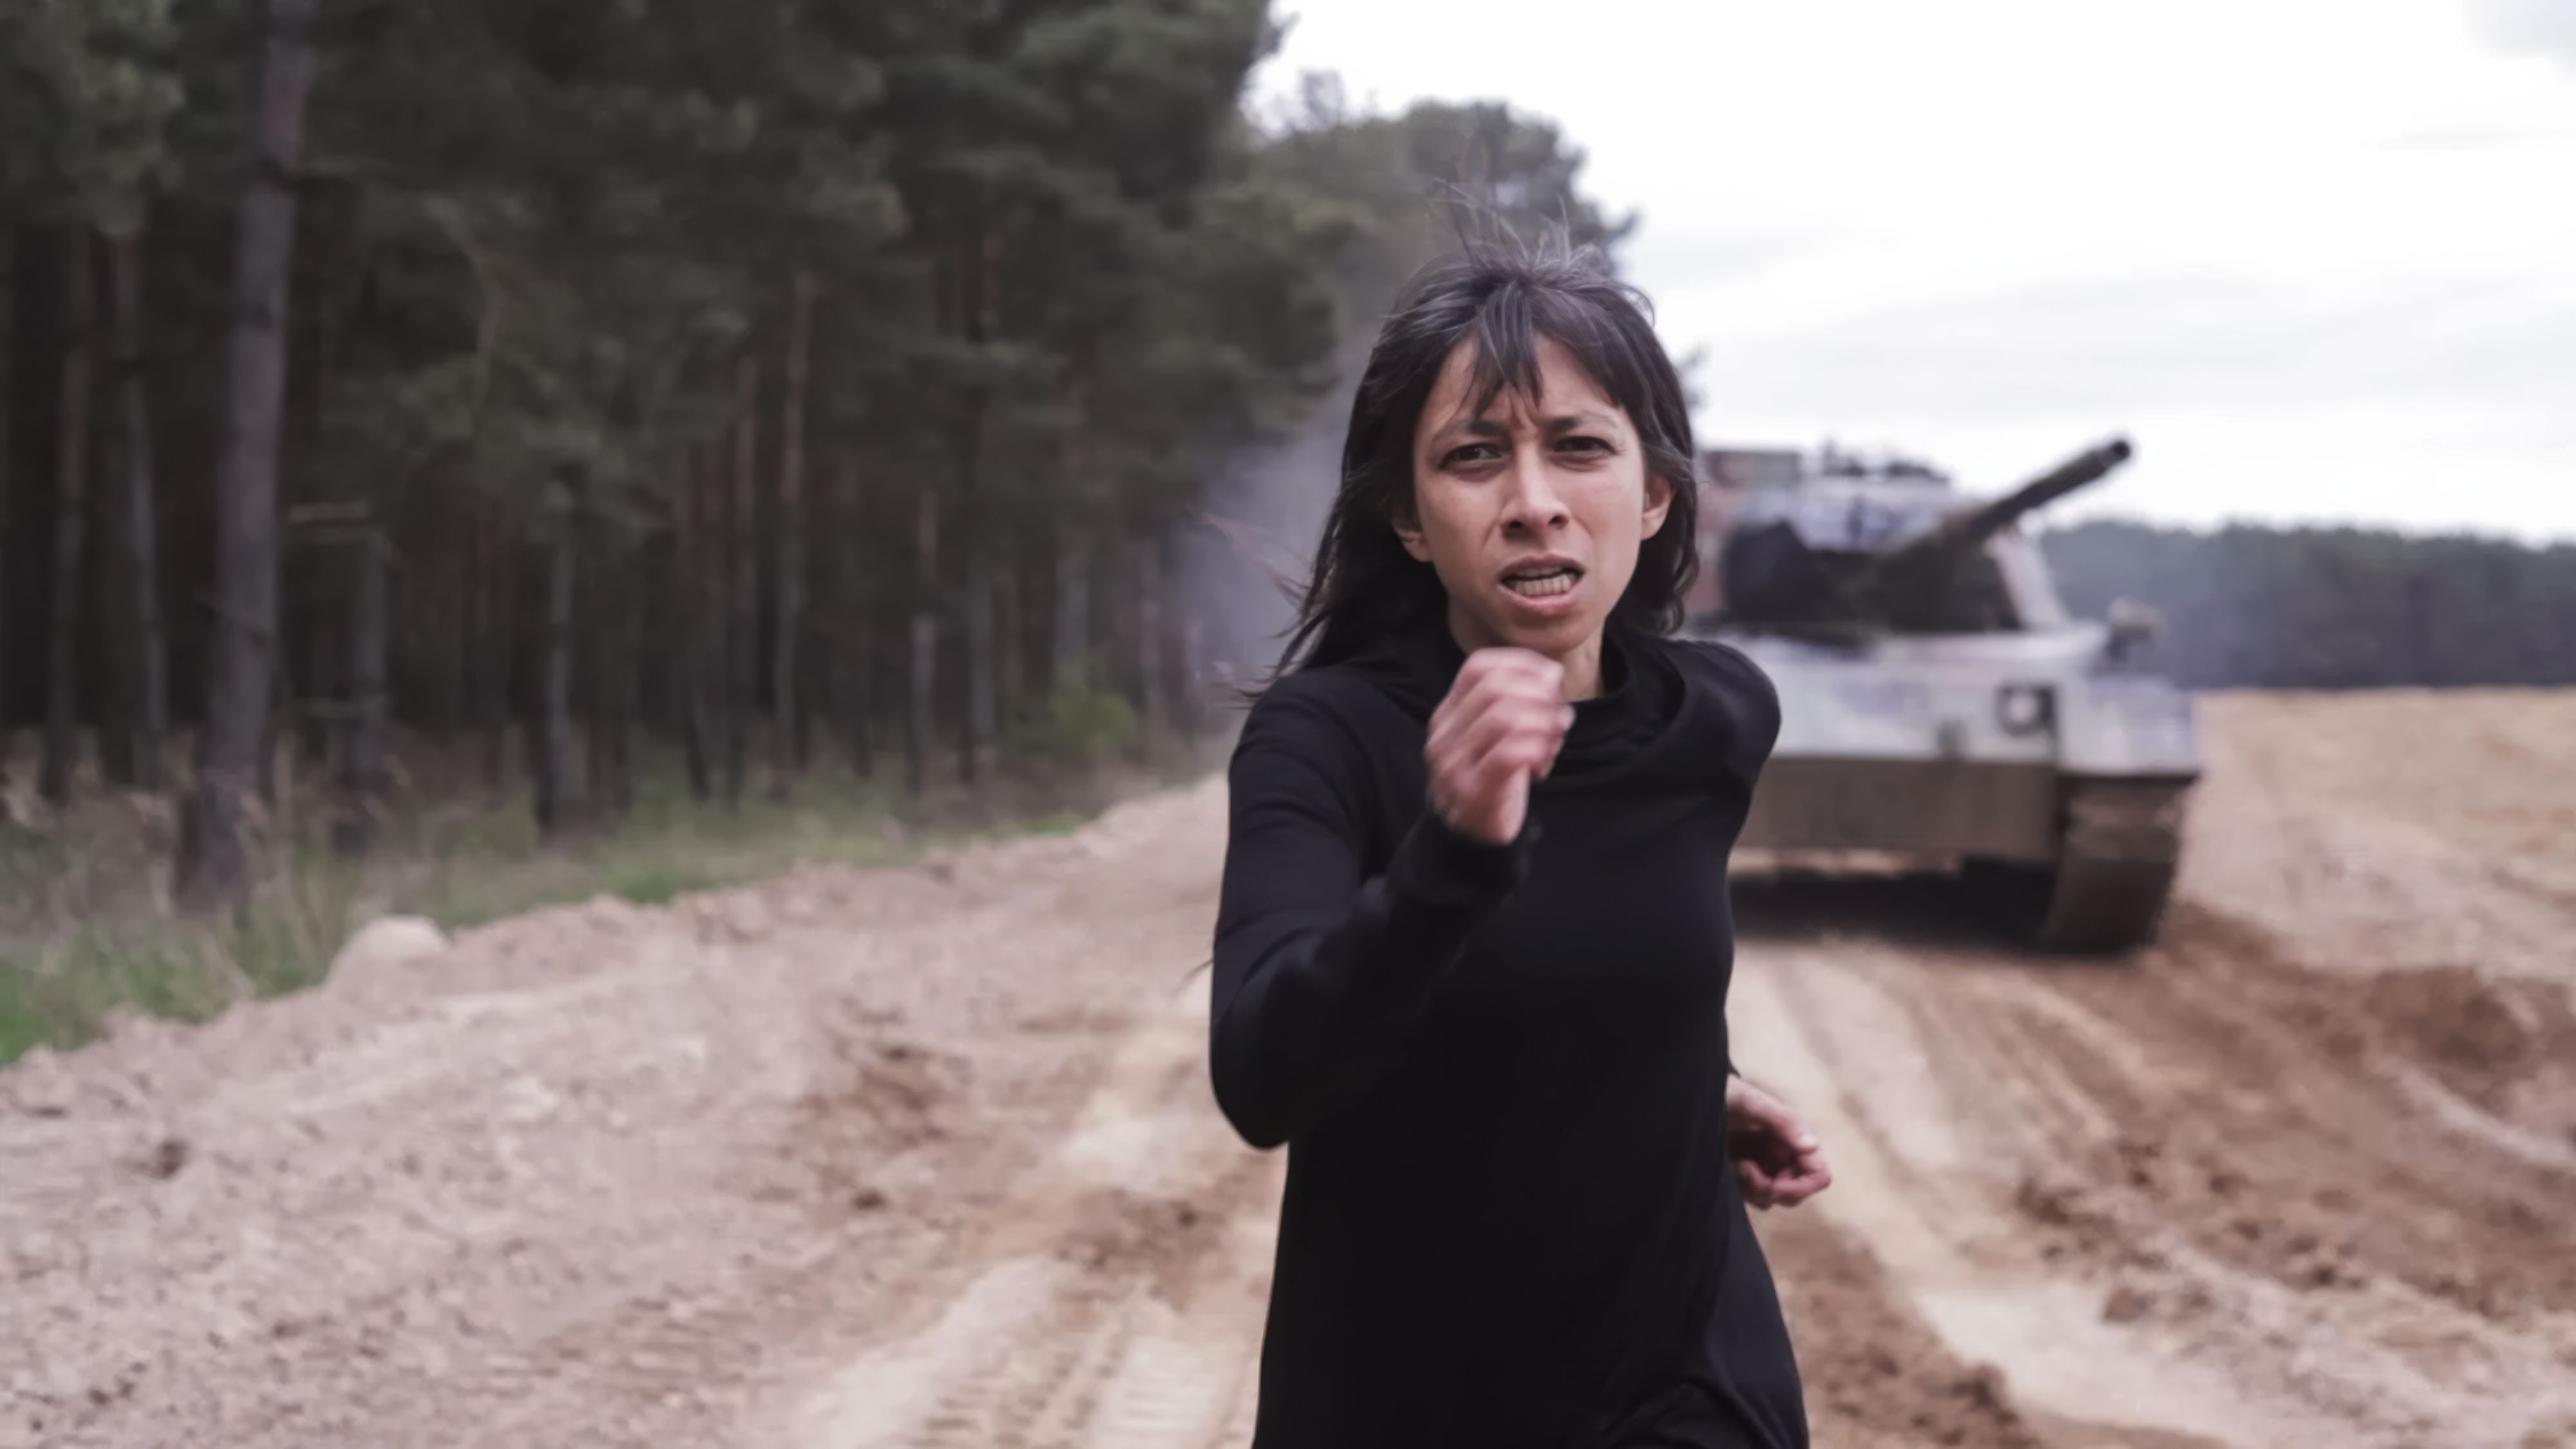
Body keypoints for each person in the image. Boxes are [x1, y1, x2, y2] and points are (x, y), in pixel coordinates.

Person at [1209, 240, 1833, 1449]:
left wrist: (1688, 1083)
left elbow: (1608, 940)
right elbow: (1261, 1074)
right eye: (1474, 454)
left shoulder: (1716, 718)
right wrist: (1451, 853)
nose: (1535, 498)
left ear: (1655, 496)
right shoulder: (1325, 739)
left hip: (1688, 1379)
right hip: (1406, 1392)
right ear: (1407, 515)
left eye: (1581, 446)